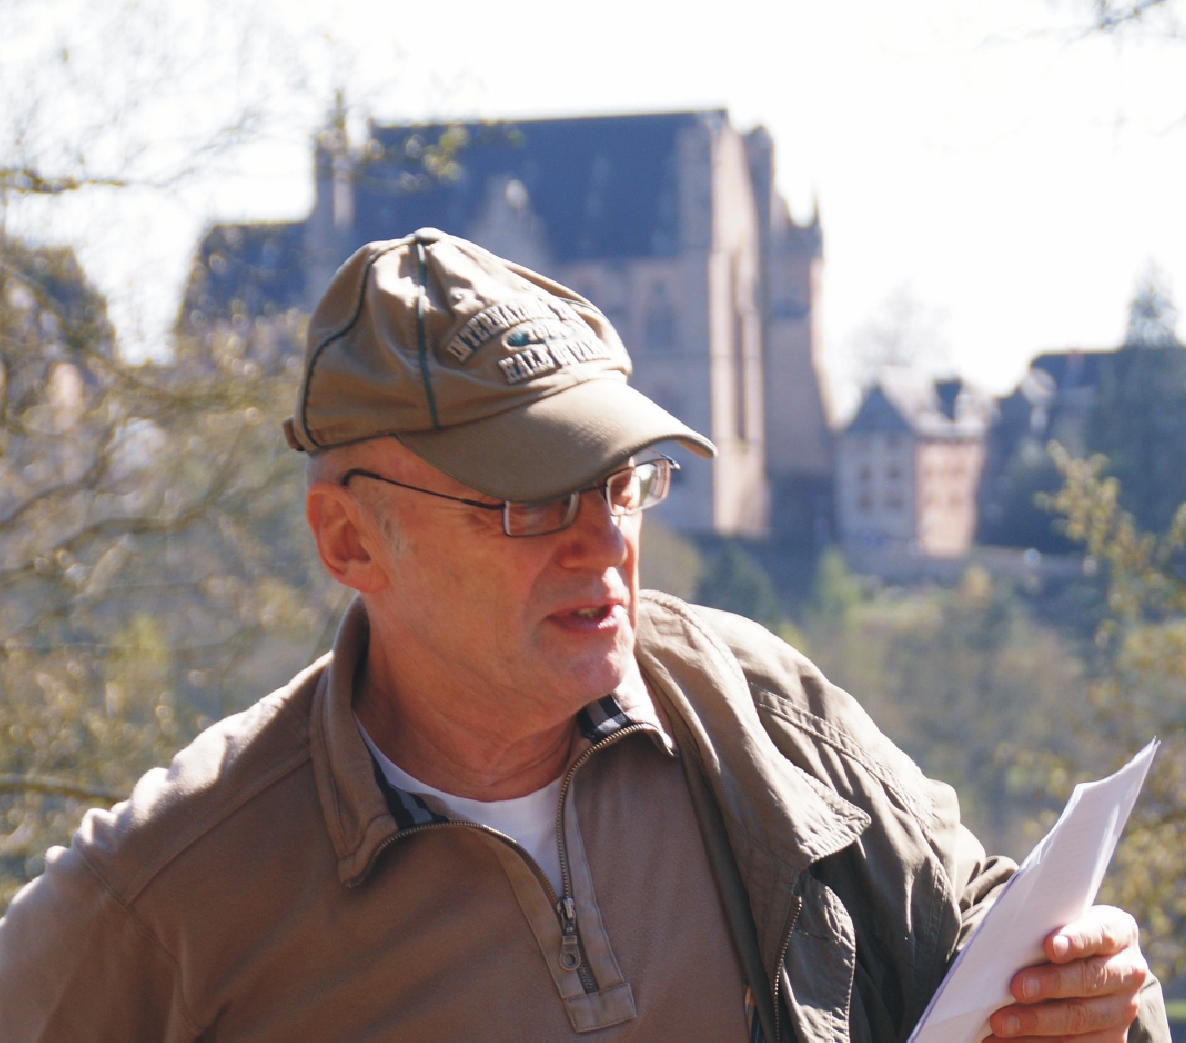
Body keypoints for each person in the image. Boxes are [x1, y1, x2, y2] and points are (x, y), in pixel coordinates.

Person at [0, 229, 1169, 1042]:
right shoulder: (165, 890)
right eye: (526, 501)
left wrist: (1094, 996)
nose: (602, 539)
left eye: (621, 483)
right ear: (349, 540)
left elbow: (988, 933)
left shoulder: (754, 707)